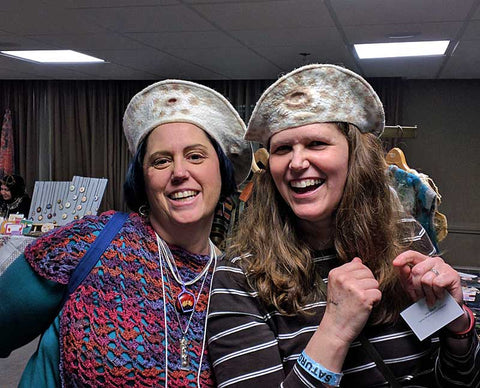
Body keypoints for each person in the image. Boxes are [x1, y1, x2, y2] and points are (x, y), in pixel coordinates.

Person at [207, 64, 479, 387]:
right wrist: (334, 331)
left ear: (354, 157)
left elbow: (461, 380)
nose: (296, 163)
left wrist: (457, 325)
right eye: (282, 149)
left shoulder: (408, 236)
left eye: (316, 144)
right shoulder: (239, 276)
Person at [0, 80, 252, 387]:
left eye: (196, 156)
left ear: (222, 171)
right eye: (161, 161)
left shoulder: (236, 283)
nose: (179, 172)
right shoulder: (84, 244)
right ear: (142, 178)